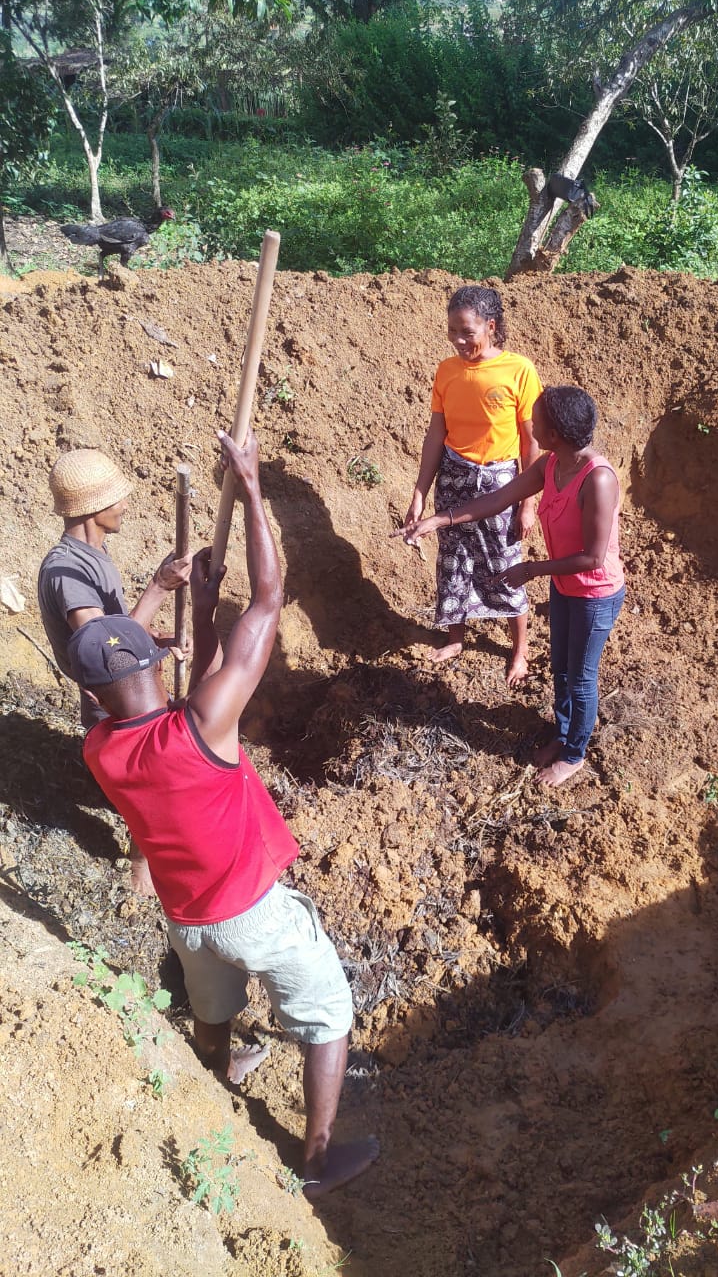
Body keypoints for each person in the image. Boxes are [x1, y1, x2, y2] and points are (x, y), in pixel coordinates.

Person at [67, 427, 378, 1197]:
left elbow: (182, 692)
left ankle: (213, 1078)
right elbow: (269, 600)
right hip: (252, 913)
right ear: (156, 661)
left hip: (187, 918)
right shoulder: (202, 728)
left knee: (212, 1006)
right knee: (327, 1012)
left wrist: (203, 614)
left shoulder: (102, 749)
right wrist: (252, 484)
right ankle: (317, 1160)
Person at [400, 386, 625, 787]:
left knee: (581, 678)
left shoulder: (598, 480)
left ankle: (574, 755)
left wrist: (533, 569)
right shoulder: (551, 465)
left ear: (554, 434)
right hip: (565, 586)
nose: (530, 426)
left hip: (595, 594)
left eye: (536, 421)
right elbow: (499, 499)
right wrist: (439, 519)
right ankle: (563, 733)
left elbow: (593, 558)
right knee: (561, 669)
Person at [38, 446, 192, 894]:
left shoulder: (92, 554)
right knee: (147, 783)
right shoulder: (69, 574)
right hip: (111, 700)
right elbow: (107, 659)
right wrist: (159, 587)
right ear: (95, 508)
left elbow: (115, 633)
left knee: (147, 776)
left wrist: (153, 643)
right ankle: (141, 861)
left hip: (120, 688)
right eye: (117, 498)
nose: (125, 505)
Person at [403, 285, 543, 686]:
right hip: (453, 475)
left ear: (491, 327)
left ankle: (520, 648)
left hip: (500, 481)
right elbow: (436, 435)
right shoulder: (447, 371)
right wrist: (419, 493)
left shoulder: (519, 370)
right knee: (453, 558)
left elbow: (531, 441)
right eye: (452, 331)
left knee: (504, 561)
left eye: (467, 332)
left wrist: (527, 503)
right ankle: (456, 637)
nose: (459, 340)